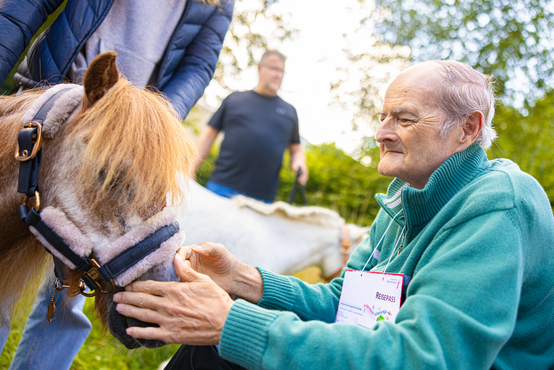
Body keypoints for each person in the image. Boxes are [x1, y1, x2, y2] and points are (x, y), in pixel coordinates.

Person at [113, 60, 554, 369]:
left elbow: (428, 359)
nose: (381, 133)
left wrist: (231, 322)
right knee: (216, 354)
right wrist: (245, 281)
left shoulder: (498, 204)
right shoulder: (404, 196)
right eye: (382, 117)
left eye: (403, 119)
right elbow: (347, 306)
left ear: (468, 128)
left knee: (229, 344)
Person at [0, 0, 234, 368]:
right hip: (58, 92)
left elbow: (199, 65)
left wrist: (146, 125)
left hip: (130, 130)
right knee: (5, 239)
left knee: (85, 270)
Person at [195, 50, 308, 203]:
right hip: (221, 189)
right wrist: (189, 170)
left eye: (281, 71)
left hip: (262, 200)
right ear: (260, 68)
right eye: (274, 69)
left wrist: (299, 162)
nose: (278, 75)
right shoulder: (235, 100)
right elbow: (208, 136)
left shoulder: (290, 111)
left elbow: (296, 149)